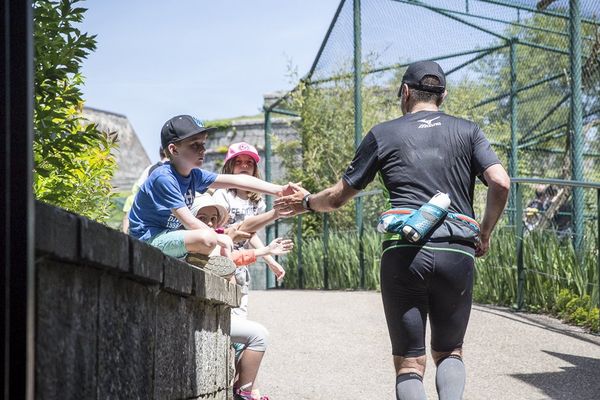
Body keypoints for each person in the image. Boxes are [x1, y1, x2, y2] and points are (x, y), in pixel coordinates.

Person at [274, 61, 510, 400]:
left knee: (410, 364)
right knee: (450, 353)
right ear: (442, 95)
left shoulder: (383, 134)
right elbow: (500, 182)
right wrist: (484, 233)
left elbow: (338, 198)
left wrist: (307, 201)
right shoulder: (469, 131)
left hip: (405, 251)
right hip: (457, 249)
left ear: (405, 92)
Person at [127, 115, 288, 277]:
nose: (202, 149)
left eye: (203, 144)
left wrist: (280, 190)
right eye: (195, 145)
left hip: (169, 235)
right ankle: (194, 261)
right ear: (174, 149)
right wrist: (219, 237)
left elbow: (239, 180)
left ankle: (196, 261)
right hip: (147, 240)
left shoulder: (193, 174)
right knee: (209, 238)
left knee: (216, 244)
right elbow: (189, 221)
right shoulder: (164, 177)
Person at [190, 193, 292, 400]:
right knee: (259, 335)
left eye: (212, 218)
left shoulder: (215, 241)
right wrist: (263, 251)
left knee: (245, 341)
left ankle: (246, 389)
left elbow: (234, 256)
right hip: (205, 315)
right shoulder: (196, 243)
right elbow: (224, 259)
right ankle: (244, 391)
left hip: (219, 311)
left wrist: (265, 252)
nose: (209, 223)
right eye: (202, 218)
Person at [212, 142, 286, 280]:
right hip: (220, 256)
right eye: (238, 162)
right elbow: (215, 231)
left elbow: (250, 235)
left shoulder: (257, 201)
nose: (244, 165)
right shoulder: (222, 195)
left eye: (249, 162)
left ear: (254, 169)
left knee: (242, 299)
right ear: (230, 167)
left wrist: (271, 262)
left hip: (242, 258)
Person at [122, 146, 169, 233]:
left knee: (127, 219)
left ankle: (125, 236)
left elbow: (140, 186)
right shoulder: (174, 169)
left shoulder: (151, 168)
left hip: (139, 205)